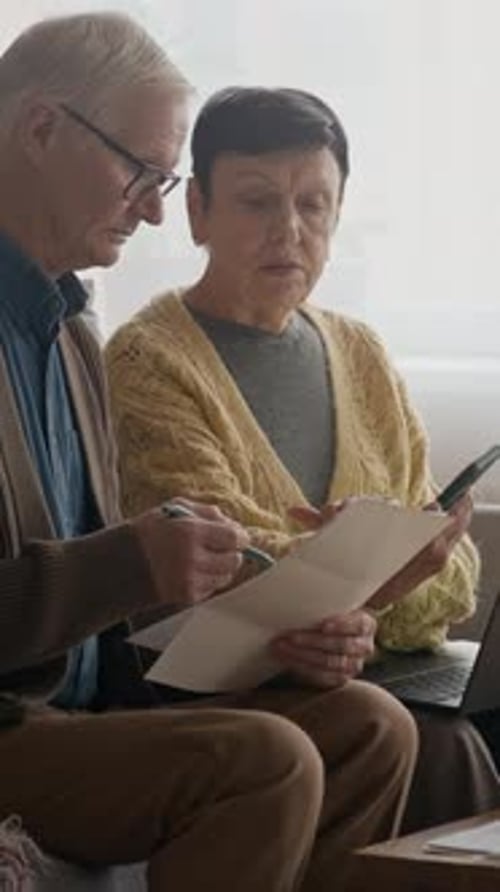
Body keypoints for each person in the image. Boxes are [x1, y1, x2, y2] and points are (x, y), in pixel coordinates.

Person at [0, 16, 419, 892]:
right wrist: (130, 561)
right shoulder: (135, 350)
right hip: (15, 722)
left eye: (164, 180)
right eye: (142, 172)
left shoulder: (71, 328)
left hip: (94, 706)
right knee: (264, 759)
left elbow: (110, 606)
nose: (155, 207)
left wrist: (258, 638)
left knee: (375, 725)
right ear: (40, 130)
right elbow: (99, 572)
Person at [106, 85, 500, 834]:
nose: (290, 230)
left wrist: (377, 576)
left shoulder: (361, 353)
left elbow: (451, 582)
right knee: (444, 747)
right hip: (222, 688)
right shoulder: (147, 360)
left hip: (377, 669)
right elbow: (223, 574)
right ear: (197, 212)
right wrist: (382, 572)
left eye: (315, 205)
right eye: (257, 203)